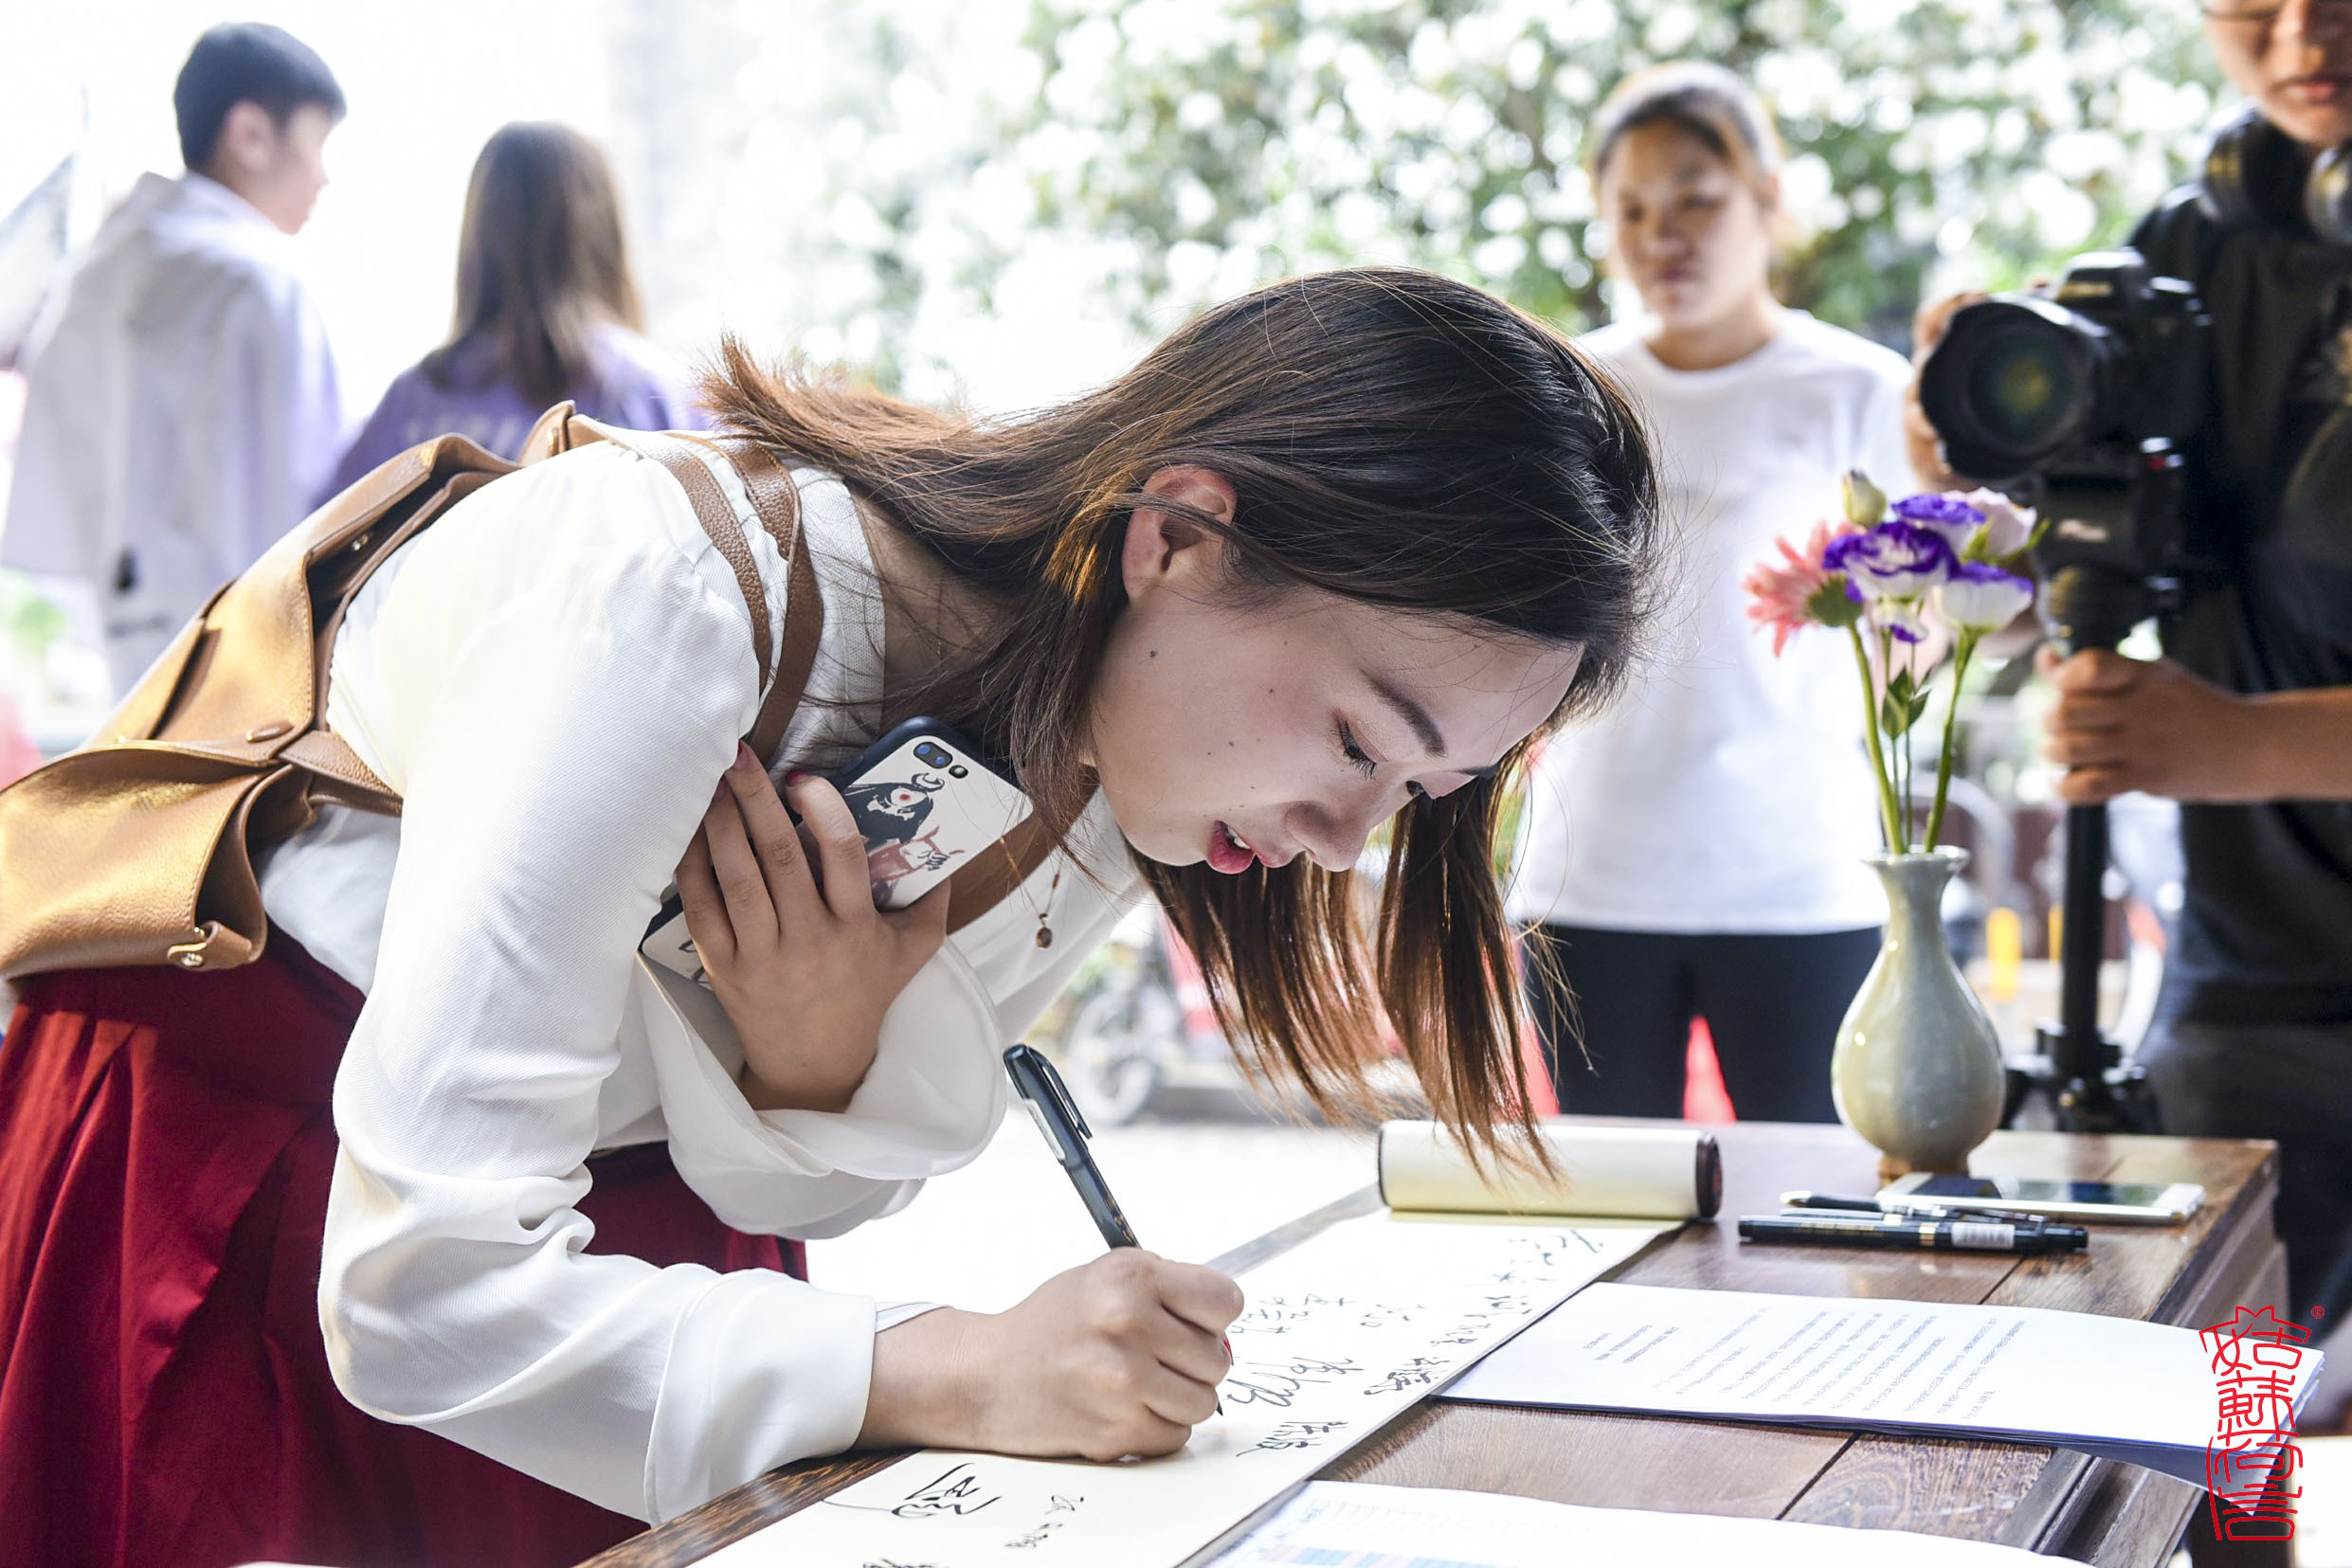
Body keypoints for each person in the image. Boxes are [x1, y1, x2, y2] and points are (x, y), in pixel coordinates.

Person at [0, 268, 1662, 1567]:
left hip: (629, 1276)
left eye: (1423, 793)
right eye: (1360, 740)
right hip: (253, 1172)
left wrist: (811, 1054)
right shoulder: (665, 596)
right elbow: (420, 1292)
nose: (1345, 841)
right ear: (1175, 535)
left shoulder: (1129, 751)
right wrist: (958, 1365)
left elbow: (799, 1195)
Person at [1910, 0, 2352, 1360]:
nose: (2300, 36)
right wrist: (1981, 464)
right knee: (2222, 1401)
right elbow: (2077, 550)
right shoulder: (2192, 248)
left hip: (2255, 928)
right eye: (2249, 3)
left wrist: (2239, 744)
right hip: (2251, 964)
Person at [1507, 63, 1916, 1124]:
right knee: (1614, 1196)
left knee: (1814, 1192)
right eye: (1633, 210)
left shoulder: (1864, 393)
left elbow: (1919, 627)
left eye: (1696, 199)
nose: (1664, 236)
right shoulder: (1571, 389)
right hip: (1588, 880)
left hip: (1800, 882)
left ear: (1767, 200)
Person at [0, 23, 345, 697]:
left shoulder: (92, 283)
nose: (324, 176)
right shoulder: (257, 283)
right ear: (250, 135)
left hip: (128, 654)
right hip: (263, 664)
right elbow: (321, 511)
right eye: (318, 144)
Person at [324, 122, 699, 492]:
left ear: (479, 230)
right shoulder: (648, 389)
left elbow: (328, 523)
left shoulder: (411, 397)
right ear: (603, 229)